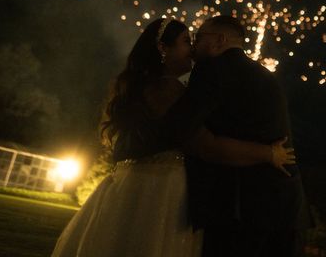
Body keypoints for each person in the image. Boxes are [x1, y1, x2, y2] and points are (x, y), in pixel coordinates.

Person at [51, 18, 295, 257]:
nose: (192, 51)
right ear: (163, 49)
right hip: (161, 190)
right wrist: (268, 153)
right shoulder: (168, 90)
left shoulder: (144, 86)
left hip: (133, 184)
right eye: (186, 42)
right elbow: (203, 144)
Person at [167, 15, 309, 257]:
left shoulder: (213, 70)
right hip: (286, 208)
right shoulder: (262, 74)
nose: (193, 46)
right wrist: (267, 154)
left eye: (198, 38)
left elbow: (180, 129)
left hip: (241, 212)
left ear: (219, 40)